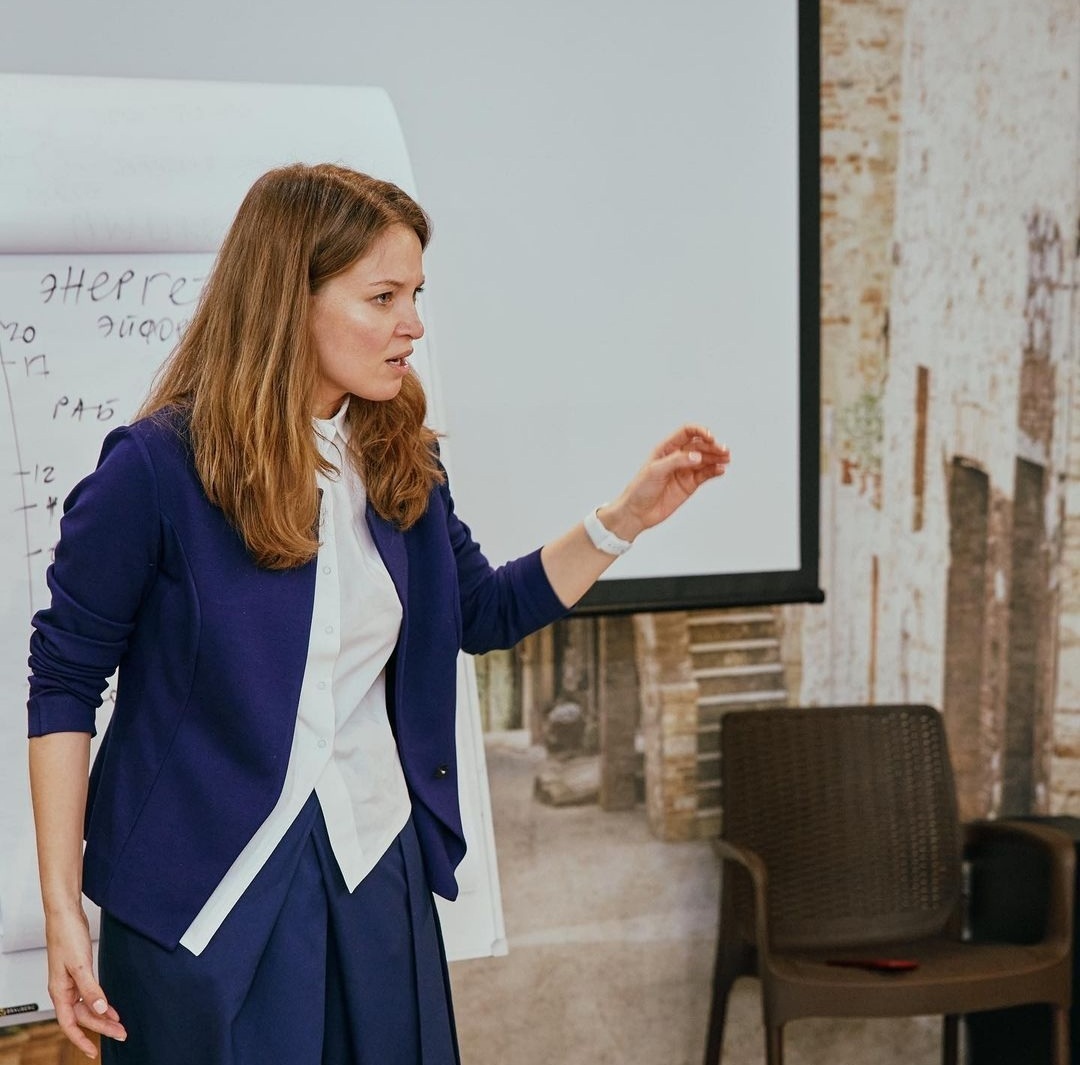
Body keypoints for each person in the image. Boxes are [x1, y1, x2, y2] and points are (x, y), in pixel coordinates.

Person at [27, 162, 730, 1064]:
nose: (414, 325)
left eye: (416, 295)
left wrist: (623, 519)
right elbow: (65, 680)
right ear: (292, 300)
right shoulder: (155, 469)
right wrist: (62, 912)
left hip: (373, 872)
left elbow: (482, 609)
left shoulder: (400, 456)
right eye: (384, 297)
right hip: (200, 900)